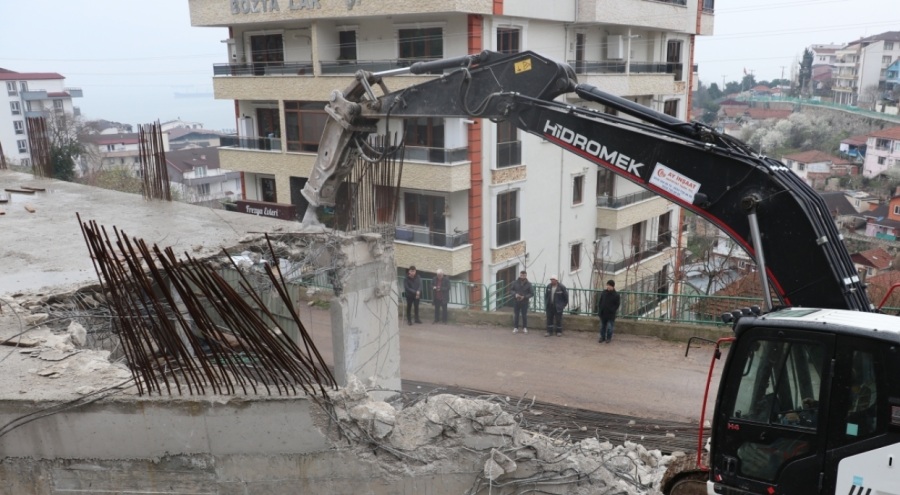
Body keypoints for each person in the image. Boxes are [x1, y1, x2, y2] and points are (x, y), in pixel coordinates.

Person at [597, 279, 620, 344]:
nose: (608, 287)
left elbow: (617, 305)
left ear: (612, 286)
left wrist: (612, 310)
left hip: (610, 314)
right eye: (607, 285)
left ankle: (609, 338)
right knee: (602, 326)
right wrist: (600, 308)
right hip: (603, 313)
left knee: (610, 327)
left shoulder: (616, 295)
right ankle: (602, 337)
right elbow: (600, 301)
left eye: (609, 285)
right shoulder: (604, 293)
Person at [510, 270, 533, 334]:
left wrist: (524, 297)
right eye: (521, 275)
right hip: (516, 301)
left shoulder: (529, 284)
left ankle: (524, 328)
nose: (522, 277)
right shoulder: (515, 283)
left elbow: (531, 293)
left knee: (524, 315)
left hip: (524, 302)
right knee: (516, 315)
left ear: (526, 276)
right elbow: (511, 290)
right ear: (519, 275)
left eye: (524, 275)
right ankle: (515, 328)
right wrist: (515, 294)